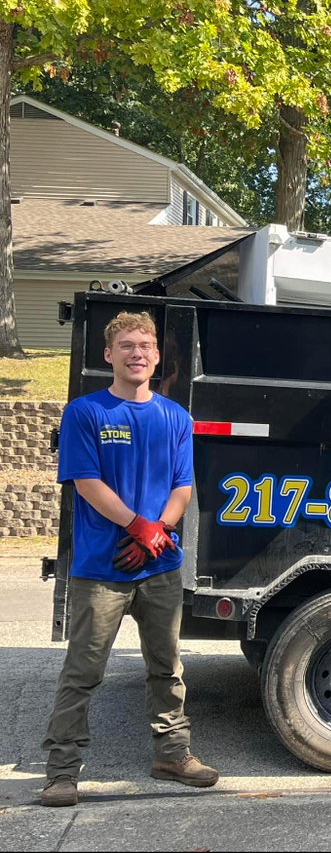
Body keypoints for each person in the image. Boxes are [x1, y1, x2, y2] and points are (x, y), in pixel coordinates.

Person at [41, 311, 218, 808]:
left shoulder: (175, 418)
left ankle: (173, 755)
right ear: (108, 354)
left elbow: (183, 487)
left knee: (167, 667)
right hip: (102, 569)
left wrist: (156, 531)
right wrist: (135, 525)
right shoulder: (86, 412)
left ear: (157, 355)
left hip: (159, 566)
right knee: (83, 671)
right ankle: (61, 772)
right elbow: (85, 481)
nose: (136, 353)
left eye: (145, 345)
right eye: (126, 345)